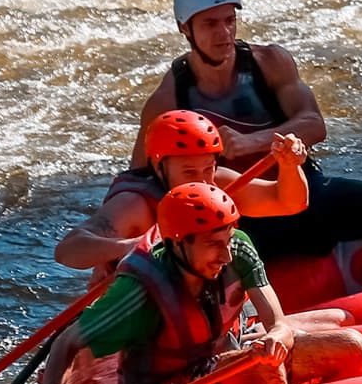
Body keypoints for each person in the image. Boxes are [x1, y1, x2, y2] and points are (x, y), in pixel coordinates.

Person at [29, 183, 362, 384]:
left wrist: (279, 333)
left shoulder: (237, 249)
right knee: (265, 369)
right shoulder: (140, 292)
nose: (224, 256)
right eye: (212, 245)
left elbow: (277, 322)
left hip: (221, 354)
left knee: (354, 346)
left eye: (226, 241)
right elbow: (66, 343)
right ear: (179, 243)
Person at [131, 0, 362, 265]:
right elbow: (137, 183)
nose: (224, 34)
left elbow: (314, 124)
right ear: (185, 28)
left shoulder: (270, 63)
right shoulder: (167, 102)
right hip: (235, 217)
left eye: (229, 21)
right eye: (210, 24)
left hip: (300, 191)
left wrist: (253, 142)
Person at [56, 109, 310, 280]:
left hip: (198, 305)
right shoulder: (135, 205)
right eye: (189, 171)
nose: (202, 181)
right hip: (136, 317)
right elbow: (68, 250)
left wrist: (290, 167)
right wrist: (131, 246)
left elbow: (288, 202)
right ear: (159, 167)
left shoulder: (217, 184)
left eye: (208, 168)